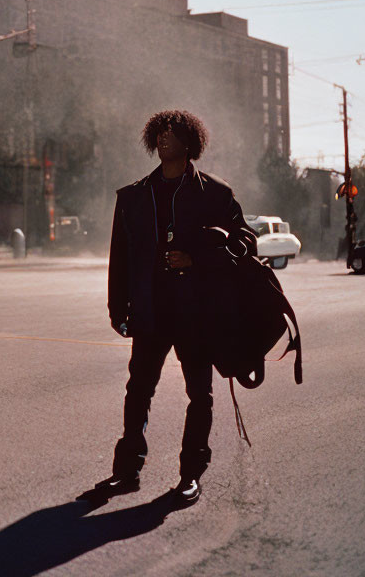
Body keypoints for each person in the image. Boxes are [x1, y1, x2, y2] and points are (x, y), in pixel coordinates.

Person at [107, 110, 256, 506]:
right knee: (138, 391)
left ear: (191, 143)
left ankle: (190, 475)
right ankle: (126, 472)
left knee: (199, 395)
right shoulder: (133, 196)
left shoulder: (216, 194)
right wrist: (116, 308)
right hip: (149, 312)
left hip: (196, 312)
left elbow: (245, 243)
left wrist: (197, 260)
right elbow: (119, 258)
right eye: (159, 133)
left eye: (173, 133)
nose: (164, 139)